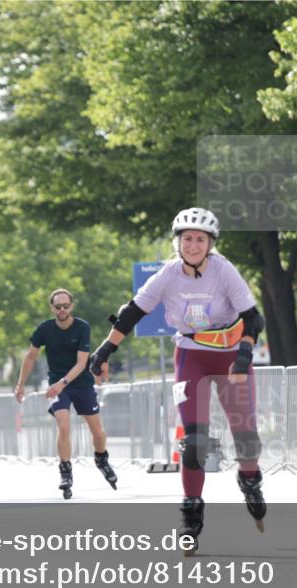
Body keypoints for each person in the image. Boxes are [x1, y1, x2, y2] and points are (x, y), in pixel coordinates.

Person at [89, 207, 266, 555]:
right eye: (187, 239)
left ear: (210, 243)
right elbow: (132, 312)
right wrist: (104, 350)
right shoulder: (168, 274)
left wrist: (244, 353)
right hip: (191, 355)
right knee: (195, 441)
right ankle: (190, 514)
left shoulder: (223, 269)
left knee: (245, 435)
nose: (194, 245)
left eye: (200, 239)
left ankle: (250, 480)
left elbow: (252, 318)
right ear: (178, 242)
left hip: (231, 355)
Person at [14, 288, 117, 499]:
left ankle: (101, 458)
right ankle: (66, 471)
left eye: (66, 306)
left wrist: (63, 383)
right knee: (63, 424)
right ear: (52, 307)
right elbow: (31, 356)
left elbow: (82, 363)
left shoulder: (82, 327)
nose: (62, 310)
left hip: (81, 383)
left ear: (72, 306)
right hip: (58, 384)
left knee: (97, 431)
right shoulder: (44, 329)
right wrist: (20, 384)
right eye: (58, 306)